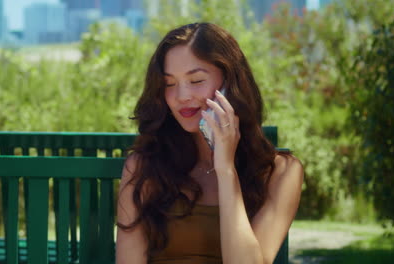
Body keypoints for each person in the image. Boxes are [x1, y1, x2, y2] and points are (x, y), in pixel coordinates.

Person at [116, 22, 304, 264]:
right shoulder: (144, 167)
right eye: (169, 84)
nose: (182, 96)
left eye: (196, 81)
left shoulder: (282, 172)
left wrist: (226, 170)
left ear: (230, 84)